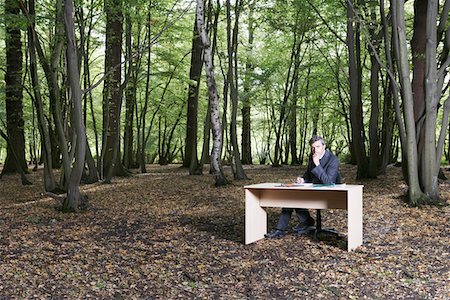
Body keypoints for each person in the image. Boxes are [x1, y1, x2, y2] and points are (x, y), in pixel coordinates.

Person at [265, 135, 341, 238]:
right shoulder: (312, 156)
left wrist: (317, 164)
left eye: (318, 147)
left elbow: (329, 182)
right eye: (313, 147)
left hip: (329, 193)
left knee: (296, 197)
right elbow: (309, 174)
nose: (315, 150)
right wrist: (303, 179)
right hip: (313, 190)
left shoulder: (332, 159)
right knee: (291, 196)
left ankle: (306, 221)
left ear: (324, 146)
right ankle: (281, 229)